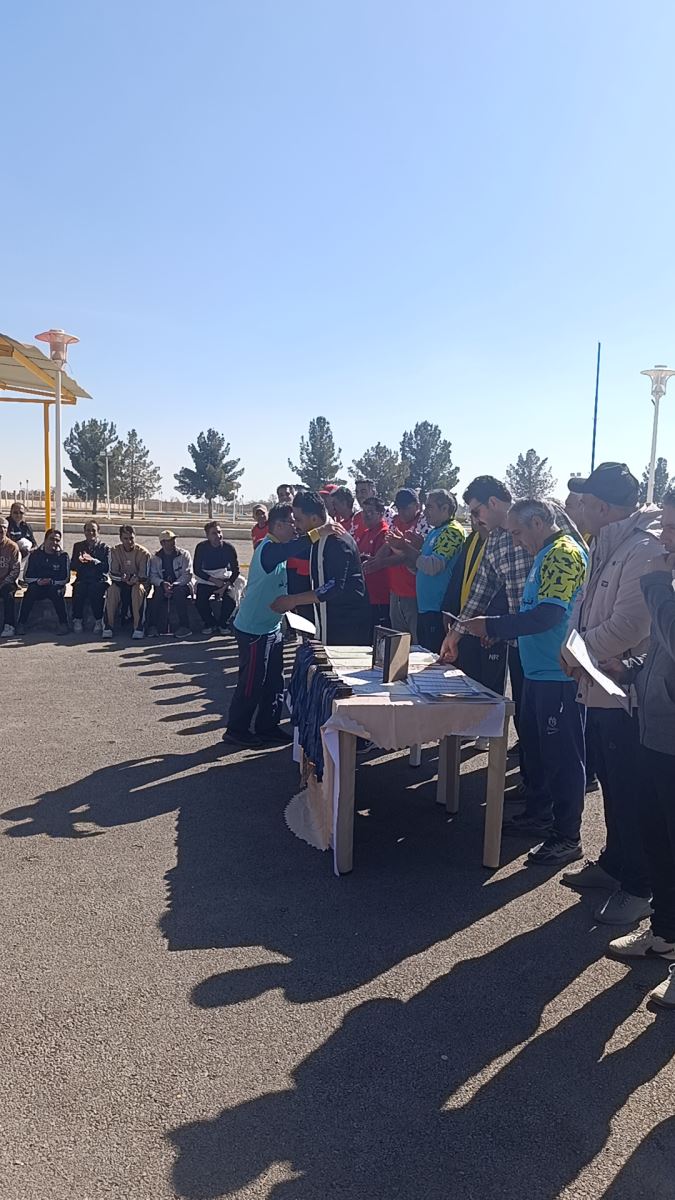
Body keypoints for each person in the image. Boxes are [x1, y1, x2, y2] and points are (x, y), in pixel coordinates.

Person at [560, 462, 661, 925]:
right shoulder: (608, 542)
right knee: (613, 787)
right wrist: (577, 650)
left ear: (602, 506)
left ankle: (639, 887)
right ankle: (616, 863)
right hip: (599, 685)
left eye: (583, 501)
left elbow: (629, 626)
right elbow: (587, 609)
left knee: (630, 791)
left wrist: (577, 653)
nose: (577, 508)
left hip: (624, 693)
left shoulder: (643, 548)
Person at [462, 500, 588, 863]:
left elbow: (548, 616)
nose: (516, 542)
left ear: (538, 522)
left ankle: (568, 836)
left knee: (562, 758)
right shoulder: (544, 554)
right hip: (537, 672)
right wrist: (498, 631)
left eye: (517, 533)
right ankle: (540, 814)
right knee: (538, 751)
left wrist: (494, 625)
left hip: (558, 675)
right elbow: (532, 613)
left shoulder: (562, 554)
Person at [604, 487, 675, 1007]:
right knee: (658, 843)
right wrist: (630, 668)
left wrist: (654, 584)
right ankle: (666, 934)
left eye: (672, 529)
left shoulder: (661, 581)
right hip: (655, 735)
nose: (664, 539)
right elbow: (661, 653)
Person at [224, 503, 297, 747]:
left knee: (274, 681)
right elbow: (299, 546)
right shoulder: (269, 549)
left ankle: (268, 726)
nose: (295, 528)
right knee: (252, 682)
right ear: (279, 525)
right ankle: (237, 729)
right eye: (292, 523)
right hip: (254, 630)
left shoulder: (279, 548)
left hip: (272, 627)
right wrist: (320, 532)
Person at [270, 491, 371, 644]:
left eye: (298, 519)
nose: (295, 525)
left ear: (314, 519)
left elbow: (333, 586)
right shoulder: (318, 536)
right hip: (327, 619)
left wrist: (293, 600)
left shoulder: (337, 542)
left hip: (346, 625)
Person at [388, 489, 465, 653]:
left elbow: (433, 566)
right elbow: (419, 567)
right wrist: (408, 550)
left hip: (438, 609)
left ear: (445, 508)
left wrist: (406, 548)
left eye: (429, 507)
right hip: (425, 607)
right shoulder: (435, 531)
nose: (424, 512)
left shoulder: (451, 531)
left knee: (432, 658)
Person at [442, 514, 509, 697]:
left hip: (491, 627)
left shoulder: (503, 541)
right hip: (467, 620)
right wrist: (449, 608)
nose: (475, 519)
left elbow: (504, 589)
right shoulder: (472, 539)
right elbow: (457, 576)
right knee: (468, 681)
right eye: (472, 514)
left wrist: (493, 624)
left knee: (489, 687)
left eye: (478, 513)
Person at [371, 488, 429, 642]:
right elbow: (387, 544)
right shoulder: (396, 521)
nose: (402, 512)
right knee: (398, 642)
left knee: (416, 642)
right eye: (399, 508)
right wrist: (375, 560)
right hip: (395, 591)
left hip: (414, 593)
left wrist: (381, 563)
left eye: (406, 508)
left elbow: (406, 555)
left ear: (417, 505)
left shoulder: (423, 522)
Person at [18, 529, 70, 634]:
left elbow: (65, 578)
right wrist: (38, 581)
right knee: (30, 592)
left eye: (57, 540)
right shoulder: (34, 555)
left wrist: (52, 581)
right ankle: (21, 624)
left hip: (55, 586)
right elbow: (26, 576)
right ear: (45, 539)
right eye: (51, 539)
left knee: (57, 592)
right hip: (38, 585)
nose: (54, 542)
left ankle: (63, 624)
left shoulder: (63, 556)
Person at [105, 525, 151, 640]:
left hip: (138, 584)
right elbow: (112, 573)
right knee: (111, 590)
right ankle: (108, 625)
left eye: (131, 538)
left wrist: (136, 579)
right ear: (120, 538)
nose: (129, 541)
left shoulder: (144, 553)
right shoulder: (114, 551)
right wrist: (122, 578)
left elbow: (145, 575)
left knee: (137, 590)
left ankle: (138, 627)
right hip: (121, 583)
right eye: (125, 538)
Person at [193, 521, 239, 634]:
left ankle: (223, 624)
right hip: (207, 580)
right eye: (214, 533)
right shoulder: (201, 547)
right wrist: (214, 581)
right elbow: (197, 570)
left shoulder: (229, 548)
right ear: (207, 536)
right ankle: (210, 623)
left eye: (219, 532)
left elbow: (236, 570)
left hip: (224, 581)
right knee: (200, 601)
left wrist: (225, 586)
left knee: (231, 601)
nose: (218, 536)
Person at [148, 531, 194, 638]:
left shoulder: (184, 554)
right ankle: (152, 626)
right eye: (169, 540)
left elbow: (187, 574)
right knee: (157, 593)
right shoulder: (155, 557)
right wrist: (162, 583)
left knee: (178, 592)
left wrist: (175, 585)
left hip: (182, 585)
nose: (173, 542)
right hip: (163, 586)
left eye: (173, 539)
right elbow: (153, 576)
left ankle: (185, 626)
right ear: (162, 543)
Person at [356, 497, 391, 633]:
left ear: (380, 513)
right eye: (364, 511)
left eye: (370, 512)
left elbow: (375, 563)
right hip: (367, 596)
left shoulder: (384, 533)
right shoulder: (365, 533)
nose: (366, 515)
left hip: (380, 597)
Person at [70, 521, 111, 634]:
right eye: (88, 530)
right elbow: (72, 566)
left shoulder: (105, 548)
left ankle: (98, 620)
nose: (91, 533)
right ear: (84, 532)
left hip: (98, 579)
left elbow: (106, 568)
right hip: (83, 578)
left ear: (98, 532)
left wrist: (93, 561)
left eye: (93, 530)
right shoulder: (78, 546)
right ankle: (77, 619)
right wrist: (79, 561)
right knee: (79, 589)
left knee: (95, 590)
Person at [0, 517, 20, 637]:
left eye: (3, 528)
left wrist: (3, 583)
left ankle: (9, 625)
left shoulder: (12, 547)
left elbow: (15, 569)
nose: (1, 531)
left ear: (6, 530)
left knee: (8, 595)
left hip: (7, 582)